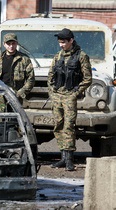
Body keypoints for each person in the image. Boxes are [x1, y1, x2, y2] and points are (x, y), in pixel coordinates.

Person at [48, 28, 92, 171]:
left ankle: (69, 160)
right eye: (59, 42)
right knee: (58, 125)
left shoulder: (81, 56)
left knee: (69, 126)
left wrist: (76, 92)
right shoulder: (57, 56)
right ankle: (63, 157)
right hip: (57, 95)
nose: (61, 45)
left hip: (69, 95)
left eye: (64, 42)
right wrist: (53, 92)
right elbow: (50, 76)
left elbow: (87, 79)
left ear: (71, 41)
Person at [0, 33, 35, 110]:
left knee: (14, 119)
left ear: (16, 43)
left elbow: (31, 79)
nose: (11, 46)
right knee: (1, 119)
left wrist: (20, 93)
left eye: (13, 43)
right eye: (8, 44)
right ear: (4, 44)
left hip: (15, 96)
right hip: (0, 96)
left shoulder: (24, 59)